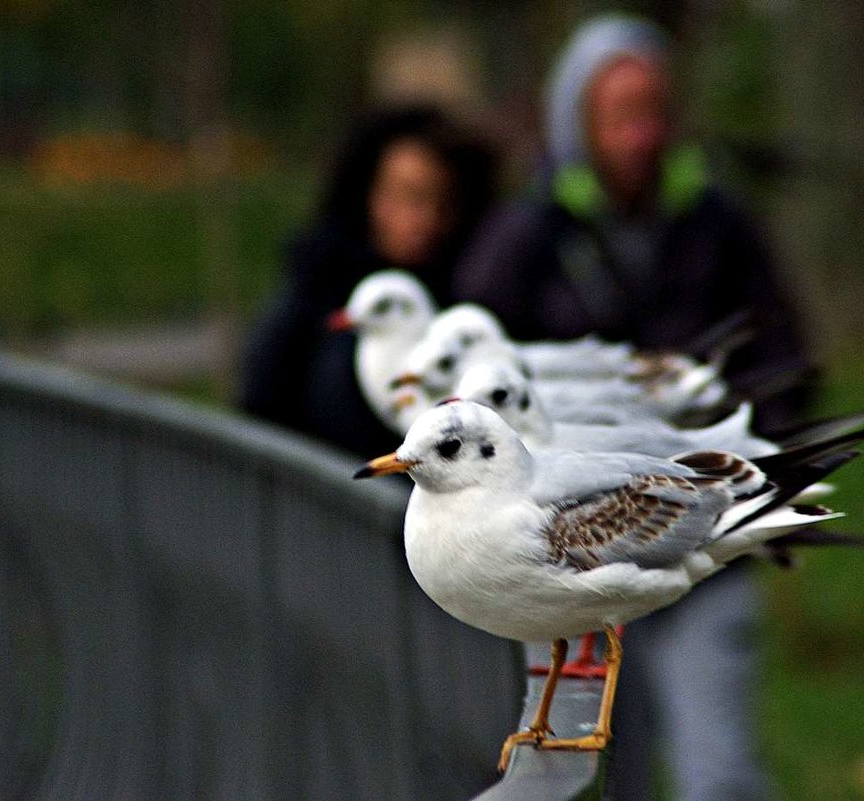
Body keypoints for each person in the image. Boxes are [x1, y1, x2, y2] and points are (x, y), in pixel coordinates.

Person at [453, 15, 817, 801]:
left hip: (691, 550)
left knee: (717, 774)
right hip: (571, 554)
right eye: (620, 116)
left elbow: (785, 353)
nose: (642, 135)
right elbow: (471, 375)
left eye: (654, 112)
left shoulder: (716, 222)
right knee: (613, 771)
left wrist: (761, 465)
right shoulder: (525, 235)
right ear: (576, 121)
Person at [241, 105, 495, 457]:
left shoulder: (477, 291)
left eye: (445, 202)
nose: (427, 220)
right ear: (369, 195)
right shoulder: (318, 289)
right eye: (411, 196)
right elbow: (262, 399)